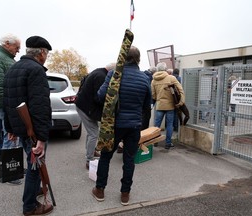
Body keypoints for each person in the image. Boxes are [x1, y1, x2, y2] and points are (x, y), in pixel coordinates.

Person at [92, 46, 151, 206]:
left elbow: (100, 96)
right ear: (138, 59)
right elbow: (147, 105)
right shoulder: (145, 78)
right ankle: (125, 194)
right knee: (129, 160)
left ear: (123, 57)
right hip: (134, 125)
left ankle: (100, 190)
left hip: (114, 125)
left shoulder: (113, 75)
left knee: (105, 157)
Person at [3, 36, 53, 215]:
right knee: (35, 165)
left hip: (21, 128)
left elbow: (6, 102)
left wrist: (10, 128)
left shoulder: (12, 68)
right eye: (46, 53)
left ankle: (34, 191)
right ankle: (30, 207)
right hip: (32, 131)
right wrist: (41, 138)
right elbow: (40, 107)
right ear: (41, 52)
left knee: (35, 164)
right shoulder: (36, 70)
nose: (46, 57)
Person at [75, 63, 116, 170]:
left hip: (83, 105)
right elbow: (98, 98)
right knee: (93, 133)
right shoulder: (101, 77)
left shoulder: (98, 71)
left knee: (91, 131)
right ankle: (89, 159)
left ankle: (91, 151)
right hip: (85, 107)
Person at [0, 33, 22, 184]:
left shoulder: (6, 58)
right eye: (16, 47)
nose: (18, 51)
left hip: (9, 105)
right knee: (9, 136)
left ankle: (13, 169)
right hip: (6, 105)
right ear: (7, 44)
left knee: (11, 136)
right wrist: (7, 105)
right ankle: (10, 174)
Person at [151, 62, 185, 149]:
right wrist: (181, 102)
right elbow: (180, 90)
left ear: (158, 69)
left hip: (159, 105)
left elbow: (153, 95)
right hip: (170, 106)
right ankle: (168, 143)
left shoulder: (154, 80)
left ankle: (155, 141)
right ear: (165, 69)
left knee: (157, 125)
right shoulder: (171, 78)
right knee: (169, 125)